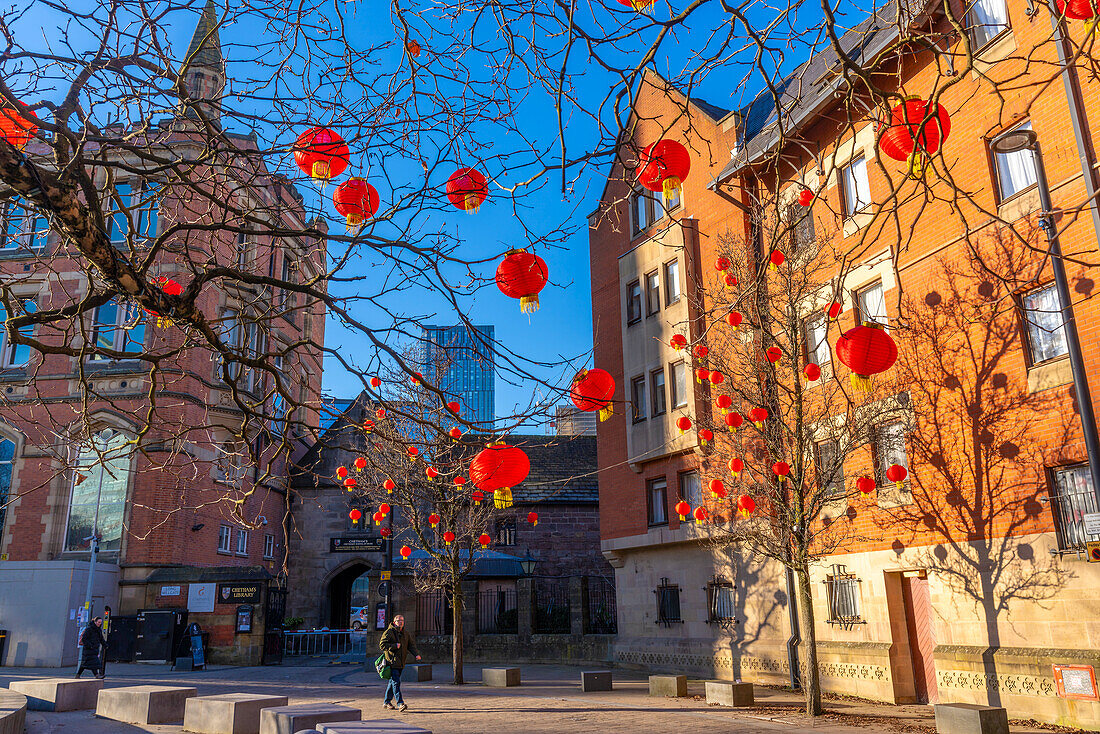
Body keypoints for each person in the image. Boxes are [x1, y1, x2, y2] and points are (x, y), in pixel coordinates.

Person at [379, 614, 421, 712]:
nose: (401, 622)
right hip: (392, 662)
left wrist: (416, 655)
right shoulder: (389, 632)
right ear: (394, 622)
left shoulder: (405, 633)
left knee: (392, 682)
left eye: (402, 620)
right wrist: (394, 646)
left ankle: (386, 702)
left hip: (401, 662)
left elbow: (411, 645)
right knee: (396, 682)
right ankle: (400, 703)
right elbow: (382, 645)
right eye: (398, 620)